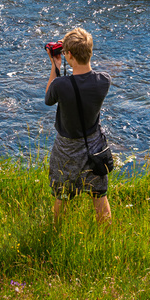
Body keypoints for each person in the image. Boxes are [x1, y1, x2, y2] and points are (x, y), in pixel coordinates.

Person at [44, 27, 112, 225]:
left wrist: (55, 66)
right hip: (95, 146)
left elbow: (49, 99)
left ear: (69, 54)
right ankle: (106, 238)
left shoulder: (60, 85)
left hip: (67, 149)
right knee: (99, 195)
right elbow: (85, 78)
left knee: (62, 195)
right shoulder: (104, 80)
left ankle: (58, 234)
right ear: (90, 51)